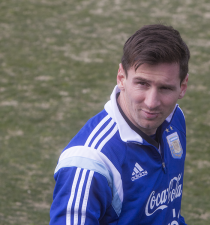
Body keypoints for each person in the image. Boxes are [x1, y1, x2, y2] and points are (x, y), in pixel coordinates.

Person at [50, 24, 190, 225]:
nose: (151, 102)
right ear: (121, 78)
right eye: (142, 84)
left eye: (165, 88)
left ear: (182, 87)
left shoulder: (174, 119)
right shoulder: (89, 163)